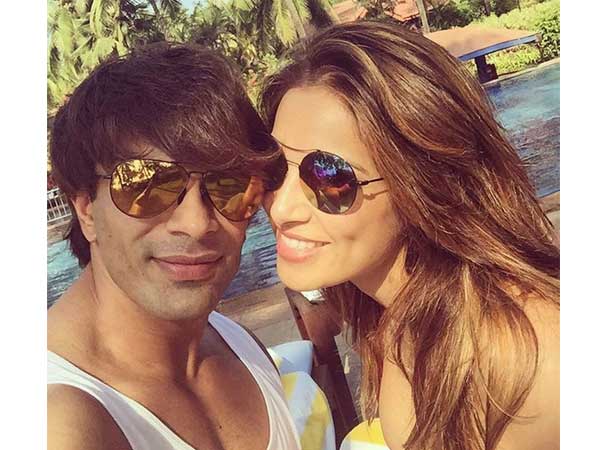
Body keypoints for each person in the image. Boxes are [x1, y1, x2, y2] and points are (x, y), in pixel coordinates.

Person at [260, 21, 559, 450]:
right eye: (272, 168)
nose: (280, 208)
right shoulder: (399, 318)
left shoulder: (529, 357)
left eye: (329, 178)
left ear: (424, 184)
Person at [47, 43, 303, 450]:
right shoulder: (60, 422)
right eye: (148, 184)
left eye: (231, 186)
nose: (197, 224)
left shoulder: (238, 345)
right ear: (86, 210)